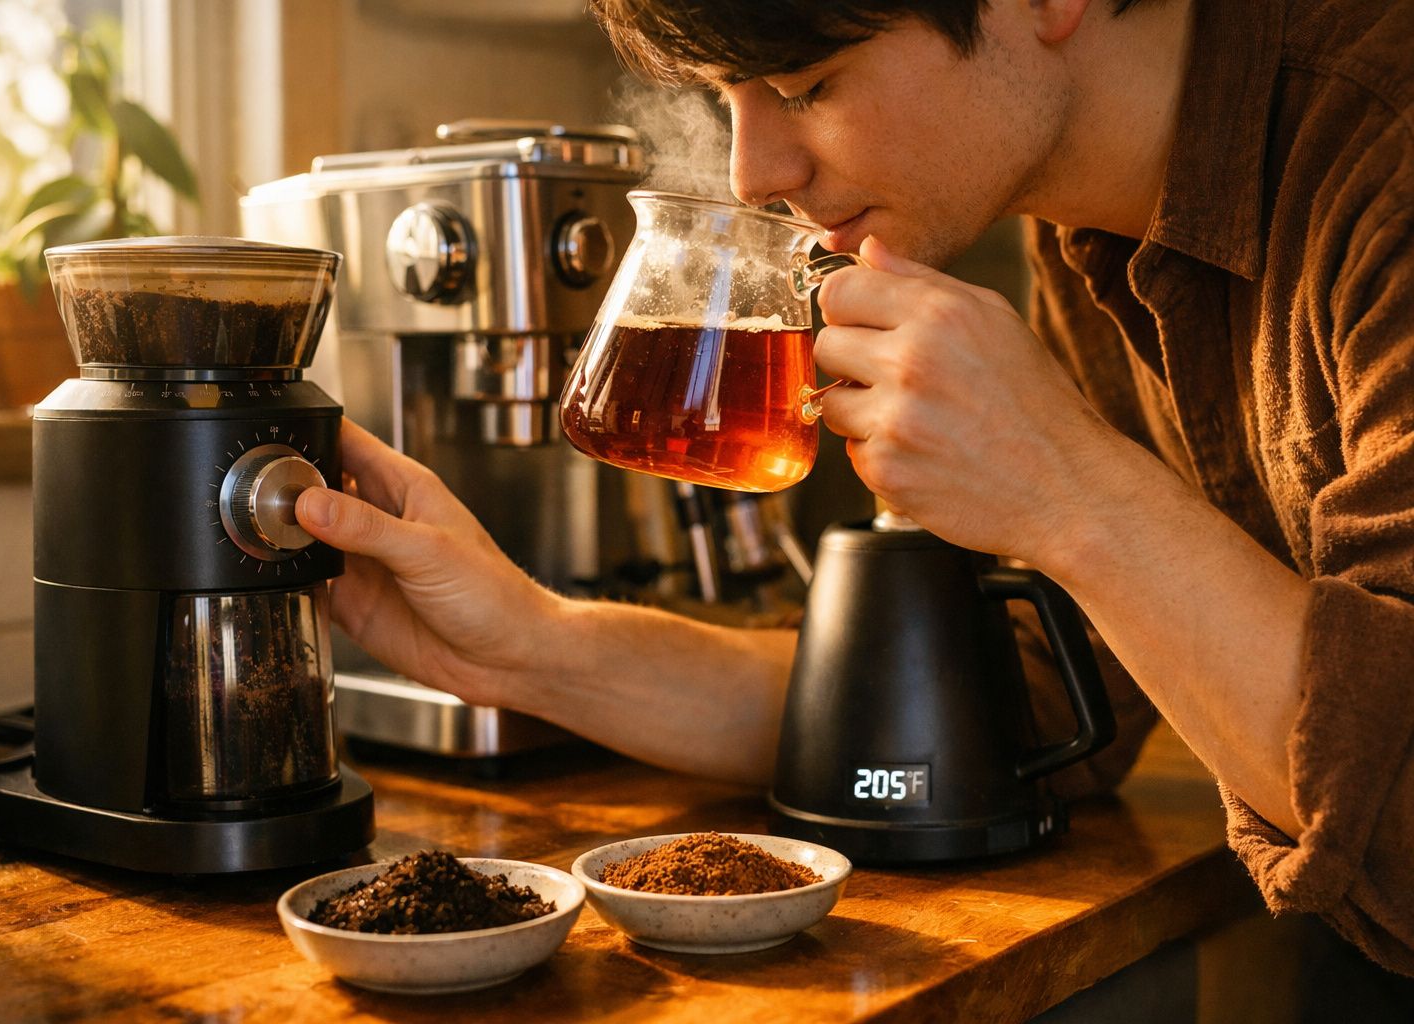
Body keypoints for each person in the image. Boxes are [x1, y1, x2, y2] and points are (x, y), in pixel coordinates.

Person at [294, 0, 1414, 977]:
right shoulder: (1085, 244)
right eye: (729, 100)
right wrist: (522, 646)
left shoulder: (1387, 149)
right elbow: (1016, 705)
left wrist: (1071, 486)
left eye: (807, 85)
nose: (752, 174)